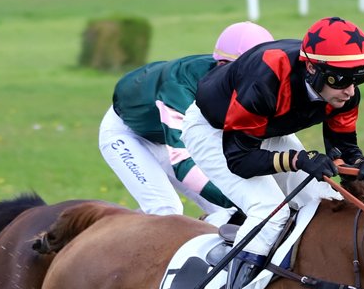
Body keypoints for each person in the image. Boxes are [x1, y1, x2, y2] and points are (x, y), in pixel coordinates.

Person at [180, 15, 364, 289]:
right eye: (340, 79)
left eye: (358, 77)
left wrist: (361, 166)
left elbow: (344, 150)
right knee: (269, 211)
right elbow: (240, 159)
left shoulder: (344, 93)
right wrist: (298, 160)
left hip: (265, 129)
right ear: (312, 69)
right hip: (218, 133)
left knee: (323, 200)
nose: (350, 90)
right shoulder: (267, 75)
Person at [98, 21, 274, 226]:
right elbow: (182, 162)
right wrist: (238, 198)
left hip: (168, 133)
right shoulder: (180, 90)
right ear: (223, 65)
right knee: (166, 209)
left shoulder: (234, 77)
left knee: (228, 211)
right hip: (128, 134)